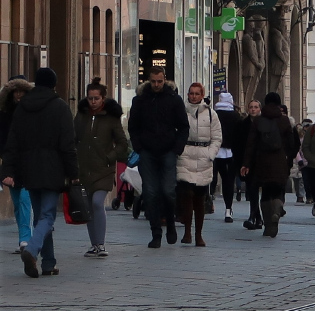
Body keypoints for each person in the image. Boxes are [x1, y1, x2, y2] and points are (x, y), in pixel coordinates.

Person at [1, 67, 78, 278]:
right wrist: (73, 172)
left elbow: (12, 142)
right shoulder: (60, 107)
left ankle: (49, 263)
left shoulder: (23, 107)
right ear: (54, 84)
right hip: (53, 168)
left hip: (28, 169)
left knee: (40, 218)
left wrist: (8, 169)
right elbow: (68, 144)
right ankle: (32, 250)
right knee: (47, 216)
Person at [128, 67, 190, 248]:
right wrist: (138, 146)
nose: (156, 85)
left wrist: (177, 148)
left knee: (168, 191)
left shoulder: (174, 100)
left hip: (168, 151)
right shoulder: (140, 100)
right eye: (154, 81)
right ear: (149, 80)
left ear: (165, 80)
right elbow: (133, 126)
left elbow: (184, 127)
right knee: (150, 193)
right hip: (147, 152)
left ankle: (170, 222)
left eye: (160, 81)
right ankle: (156, 232)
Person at [74, 79, 129, 257]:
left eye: (96, 98)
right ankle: (94, 244)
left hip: (104, 168)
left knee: (97, 202)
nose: (93, 102)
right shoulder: (81, 116)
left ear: (103, 98)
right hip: (84, 168)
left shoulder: (111, 118)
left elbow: (122, 143)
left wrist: (110, 157)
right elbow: (73, 138)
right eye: (90, 98)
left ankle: (101, 243)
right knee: (88, 205)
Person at [241, 92, 297, 238]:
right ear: (279, 104)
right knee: (278, 190)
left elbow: (250, 144)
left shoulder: (258, 121)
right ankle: (277, 209)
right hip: (279, 161)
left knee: (265, 193)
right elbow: (292, 144)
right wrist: (289, 159)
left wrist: (246, 164)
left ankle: (268, 226)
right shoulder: (284, 121)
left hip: (262, 162)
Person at [176, 82, 221, 247]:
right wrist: (178, 150)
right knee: (186, 195)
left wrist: (211, 154)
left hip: (203, 157)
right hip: (185, 155)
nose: (193, 96)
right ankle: (187, 230)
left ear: (202, 95)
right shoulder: (181, 112)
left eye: (197, 93)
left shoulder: (211, 114)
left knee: (200, 199)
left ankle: (198, 234)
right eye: (191, 93)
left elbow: (217, 137)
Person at [1, 76, 33, 255]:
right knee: (16, 201)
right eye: (16, 91)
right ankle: (23, 237)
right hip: (11, 163)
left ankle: (26, 239)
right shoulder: (5, 113)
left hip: (29, 162)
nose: (19, 95)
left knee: (25, 200)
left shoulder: (33, 112)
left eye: (22, 91)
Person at [212, 93, 242, 223]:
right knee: (228, 181)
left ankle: (208, 199)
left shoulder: (213, 114)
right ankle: (228, 209)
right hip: (230, 153)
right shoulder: (236, 116)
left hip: (214, 151)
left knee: (211, 179)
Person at [239, 100, 263, 230]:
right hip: (248, 163)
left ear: (260, 109)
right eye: (251, 107)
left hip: (262, 162)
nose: (253, 109)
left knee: (261, 191)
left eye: (256, 107)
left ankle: (257, 217)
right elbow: (240, 144)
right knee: (252, 190)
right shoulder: (244, 124)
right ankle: (255, 216)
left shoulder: (264, 123)